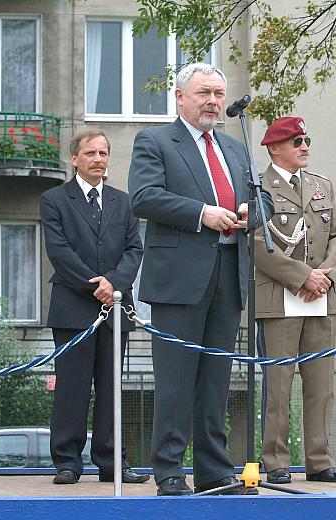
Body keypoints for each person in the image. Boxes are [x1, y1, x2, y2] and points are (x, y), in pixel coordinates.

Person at [128, 62, 274, 496]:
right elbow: (143, 197)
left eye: (218, 94)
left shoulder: (234, 147)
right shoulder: (155, 141)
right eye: (203, 93)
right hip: (178, 279)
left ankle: (214, 470)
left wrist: (250, 212)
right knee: (175, 378)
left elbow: (263, 198)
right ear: (180, 98)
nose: (213, 102)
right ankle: (169, 469)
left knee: (216, 377)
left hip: (229, 274)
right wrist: (201, 213)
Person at [40, 129, 147, 485]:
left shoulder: (124, 202)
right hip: (73, 309)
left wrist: (114, 284)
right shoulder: (54, 200)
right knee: (72, 388)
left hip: (115, 310)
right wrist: (95, 286)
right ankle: (67, 463)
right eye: (90, 153)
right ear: (75, 159)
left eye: (103, 153)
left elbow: (134, 250)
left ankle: (112, 462)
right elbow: (59, 251)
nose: (98, 159)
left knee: (112, 388)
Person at [254, 117, 336, 484]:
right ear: (274, 148)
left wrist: (325, 275)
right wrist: (302, 276)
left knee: (321, 384)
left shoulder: (322, 185)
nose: (304, 146)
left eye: (306, 139)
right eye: (296, 141)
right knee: (278, 385)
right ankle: (276, 461)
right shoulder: (259, 187)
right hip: (281, 297)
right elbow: (258, 244)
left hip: (320, 296)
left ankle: (320, 461)